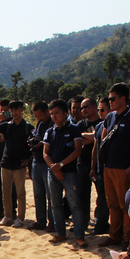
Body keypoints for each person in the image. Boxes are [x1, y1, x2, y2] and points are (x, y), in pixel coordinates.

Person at [97, 83, 130, 250]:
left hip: (123, 169)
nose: (110, 102)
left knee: (125, 206)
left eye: (112, 99)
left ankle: (126, 239)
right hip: (109, 167)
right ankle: (113, 236)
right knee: (112, 205)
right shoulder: (110, 117)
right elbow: (104, 140)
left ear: (123, 98)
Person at [43, 99, 87, 247]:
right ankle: (60, 233)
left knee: (74, 204)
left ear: (65, 113)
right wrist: (54, 169)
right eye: (52, 113)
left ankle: (79, 236)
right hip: (53, 173)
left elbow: (78, 150)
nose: (54, 116)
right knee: (55, 204)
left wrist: (61, 165)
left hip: (70, 172)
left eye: (57, 113)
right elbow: (45, 153)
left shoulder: (74, 129)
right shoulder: (50, 131)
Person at [0, 100, 34, 228]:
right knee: (6, 193)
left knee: (20, 193)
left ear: (22, 109)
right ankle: (8, 216)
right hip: (6, 163)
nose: (14, 112)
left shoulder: (28, 127)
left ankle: (20, 218)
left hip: (19, 165)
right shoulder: (6, 125)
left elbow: (34, 144)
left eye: (16, 109)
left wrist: (28, 159)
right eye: (12, 110)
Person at [29, 101, 54, 231]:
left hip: (47, 163)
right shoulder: (39, 124)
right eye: (36, 116)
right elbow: (37, 138)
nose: (39, 118)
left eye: (41, 115)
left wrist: (42, 143)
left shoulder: (53, 124)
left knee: (51, 195)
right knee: (38, 194)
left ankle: (52, 222)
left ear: (47, 112)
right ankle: (40, 221)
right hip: (36, 161)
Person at [0, 100, 16, 219]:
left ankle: (12, 210)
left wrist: (3, 138)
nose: (4, 113)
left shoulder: (14, 122)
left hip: (11, 158)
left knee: (12, 186)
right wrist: (5, 138)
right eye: (2, 110)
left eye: (7, 110)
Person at [76, 97, 100, 229]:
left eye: (86, 106)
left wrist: (93, 139)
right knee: (82, 196)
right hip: (82, 163)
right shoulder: (80, 124)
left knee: (101, 196)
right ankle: (82, 223)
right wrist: (93, 138)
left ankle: (99, 223)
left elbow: (100, 139)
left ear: (95, 106)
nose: (83, 109)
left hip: (98, 164)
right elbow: (78, 141)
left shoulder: (102, 122)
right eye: (82, 107)